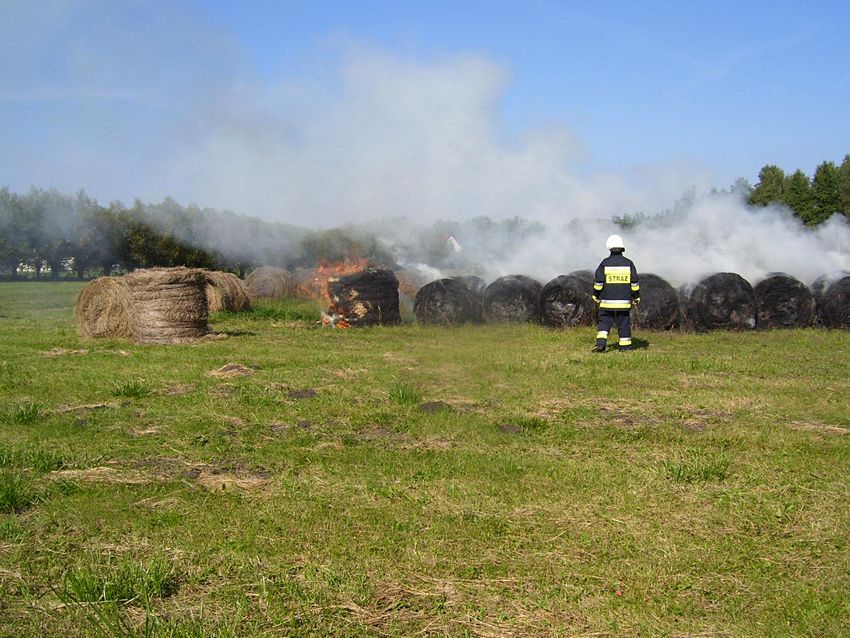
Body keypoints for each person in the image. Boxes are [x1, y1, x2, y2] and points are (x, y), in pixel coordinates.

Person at [591, 234, 640, 352]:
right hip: (623, 304)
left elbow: (599, 283)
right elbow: (634, 283)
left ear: (609, 248)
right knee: (623, 324)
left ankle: (601, 344)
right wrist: (636, 297)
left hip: (607, 303)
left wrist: (596, 296)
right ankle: (625, 347)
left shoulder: (604, 263)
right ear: (622, 248)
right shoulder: (629, 263)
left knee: (604, 323)